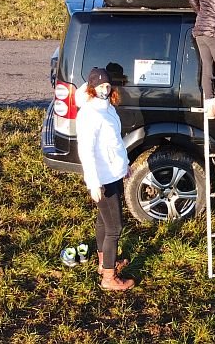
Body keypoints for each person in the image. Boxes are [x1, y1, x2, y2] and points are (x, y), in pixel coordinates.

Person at [75, 67, 135, 291]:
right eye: (100, 86)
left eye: (107, 85)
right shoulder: (90, 114)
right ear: (92, 88)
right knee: (115, 228)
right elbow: (86, 151)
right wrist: (93, 182)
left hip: (113, 173)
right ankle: (109, 278)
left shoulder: (108, 108)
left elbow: (115, 142)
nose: (105, 89)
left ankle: (104, 263)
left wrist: (124, 164)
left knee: (103, 221)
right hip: (102, 178)